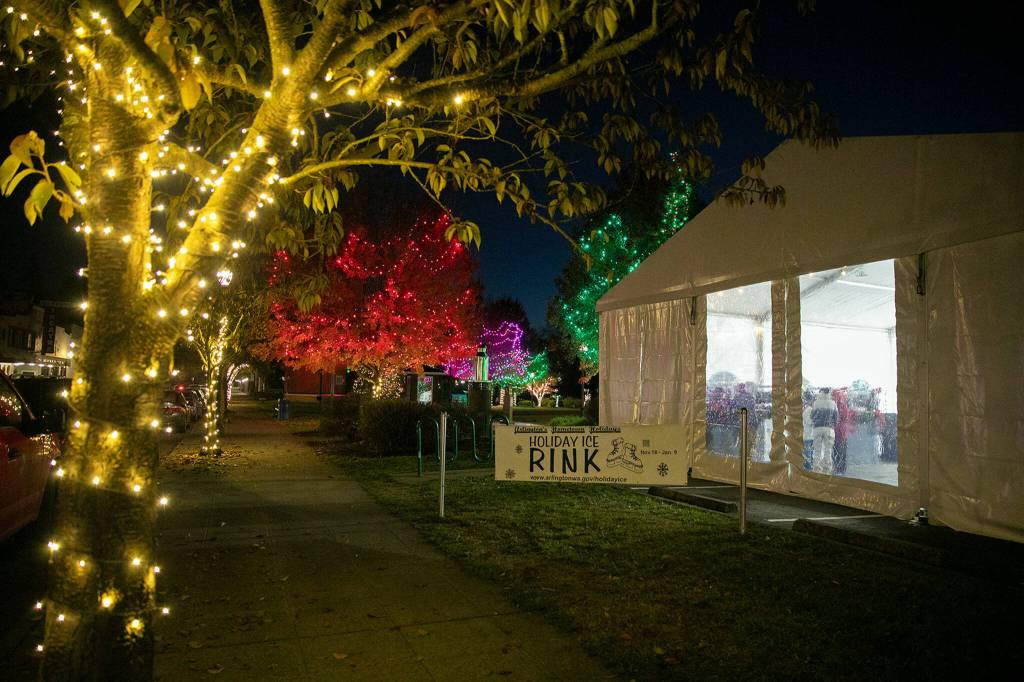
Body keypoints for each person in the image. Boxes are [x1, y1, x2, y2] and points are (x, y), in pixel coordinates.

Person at [810, 387, 838, 474]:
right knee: (828, 450)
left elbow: (812, 416)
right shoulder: (833, 403)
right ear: (829, 393)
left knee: (817, 450)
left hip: (817, 429)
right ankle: (827, 470)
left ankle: (816, 468)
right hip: (829, 429)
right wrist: (832, 425)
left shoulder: (816, 403)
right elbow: (836, 418)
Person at [802, 390, 815, 471]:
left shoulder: (807, 409)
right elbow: (809, 422)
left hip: (808, 435)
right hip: (808, 435)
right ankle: (808, 469)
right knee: (808, 453)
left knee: (809, 453)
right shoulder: (809, 410)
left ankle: (808, 468)